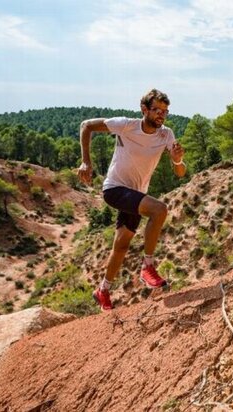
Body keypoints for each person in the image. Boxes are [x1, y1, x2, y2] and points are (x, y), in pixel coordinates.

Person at [77, 88, 186, 311]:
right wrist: (86, 162)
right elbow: (86, 125)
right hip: (115, 189)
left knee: (121, 245)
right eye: (156, 110)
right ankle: (147, 266)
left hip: (135, 194)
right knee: (159, 210)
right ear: (144, 109)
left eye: (165, 111)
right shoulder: (126, 125)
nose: (161, 115)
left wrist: (177, 161)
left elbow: (181, 173)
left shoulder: (166, 134)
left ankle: (103, 290)